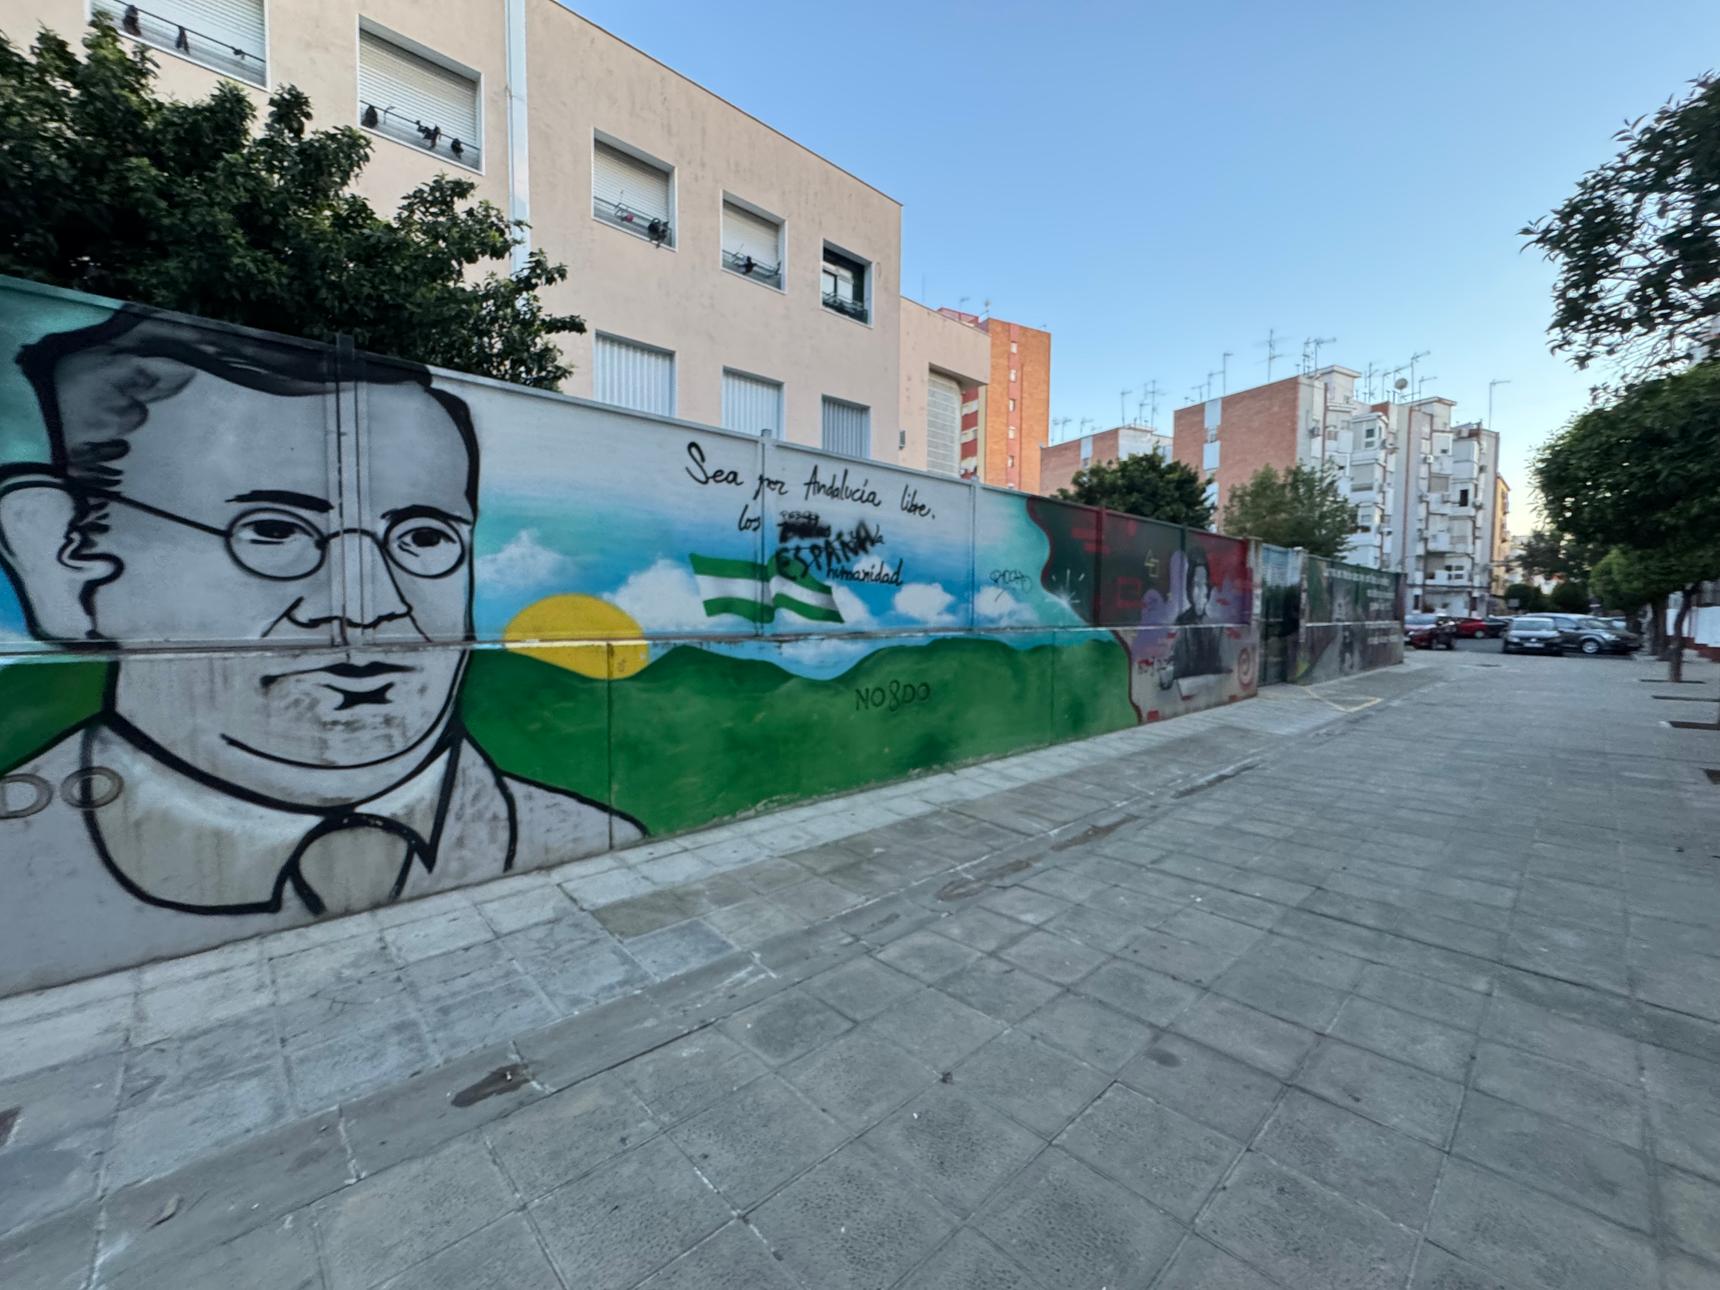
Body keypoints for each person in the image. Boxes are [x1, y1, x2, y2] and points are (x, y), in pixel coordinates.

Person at [0, 307, 637, 988]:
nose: (365, 607)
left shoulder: (581, 833)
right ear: (65, 564)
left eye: (424, 538)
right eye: (273, 531)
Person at [1169, 543, 1226, 681]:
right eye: (1197, 585)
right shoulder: (1181, 623)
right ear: (1188, 589)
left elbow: (1218, 667)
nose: (1202, 592)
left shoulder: (1213, 627)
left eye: (1205, 585)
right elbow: (1178, 669)